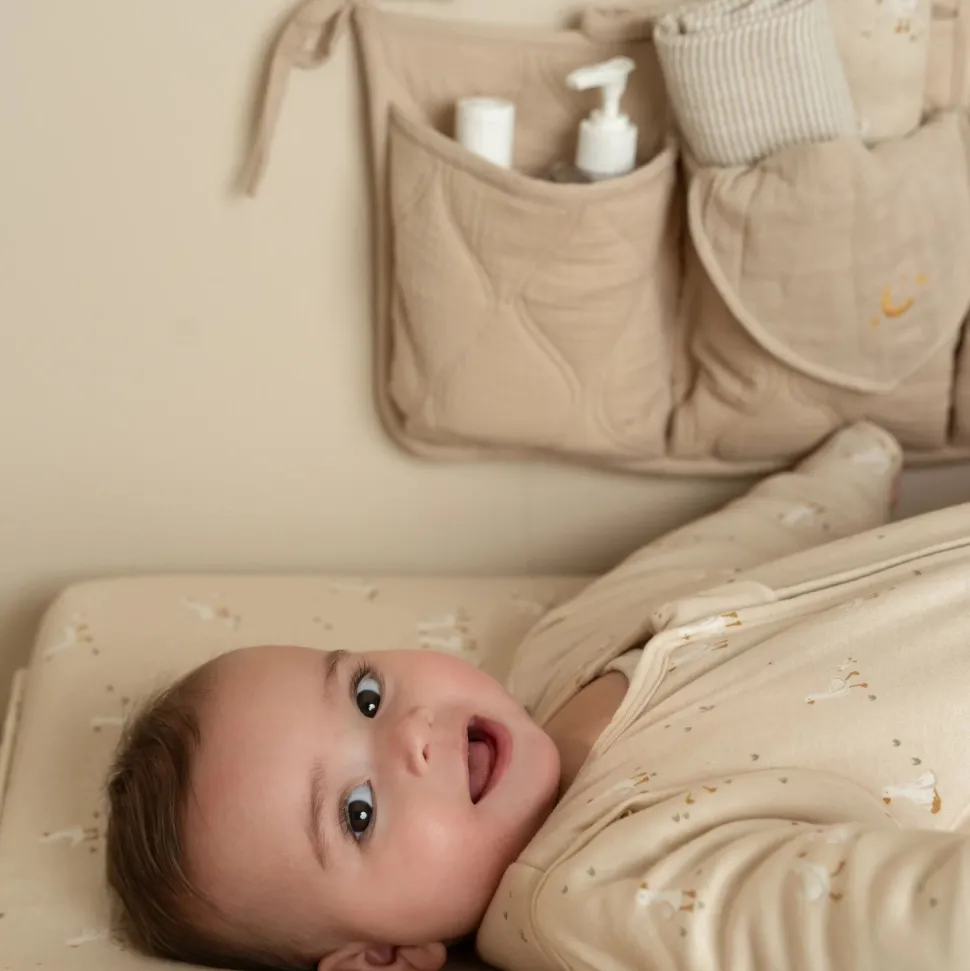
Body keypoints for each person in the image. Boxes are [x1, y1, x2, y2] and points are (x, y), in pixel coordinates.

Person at [107, 421, 970, 971]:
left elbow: (732, 550)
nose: (407, 734)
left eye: (365, 693)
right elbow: (899, 922)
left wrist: (852, 465)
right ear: (384, 957)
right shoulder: (599, 899)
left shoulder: (557, 652)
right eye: (358, 813)